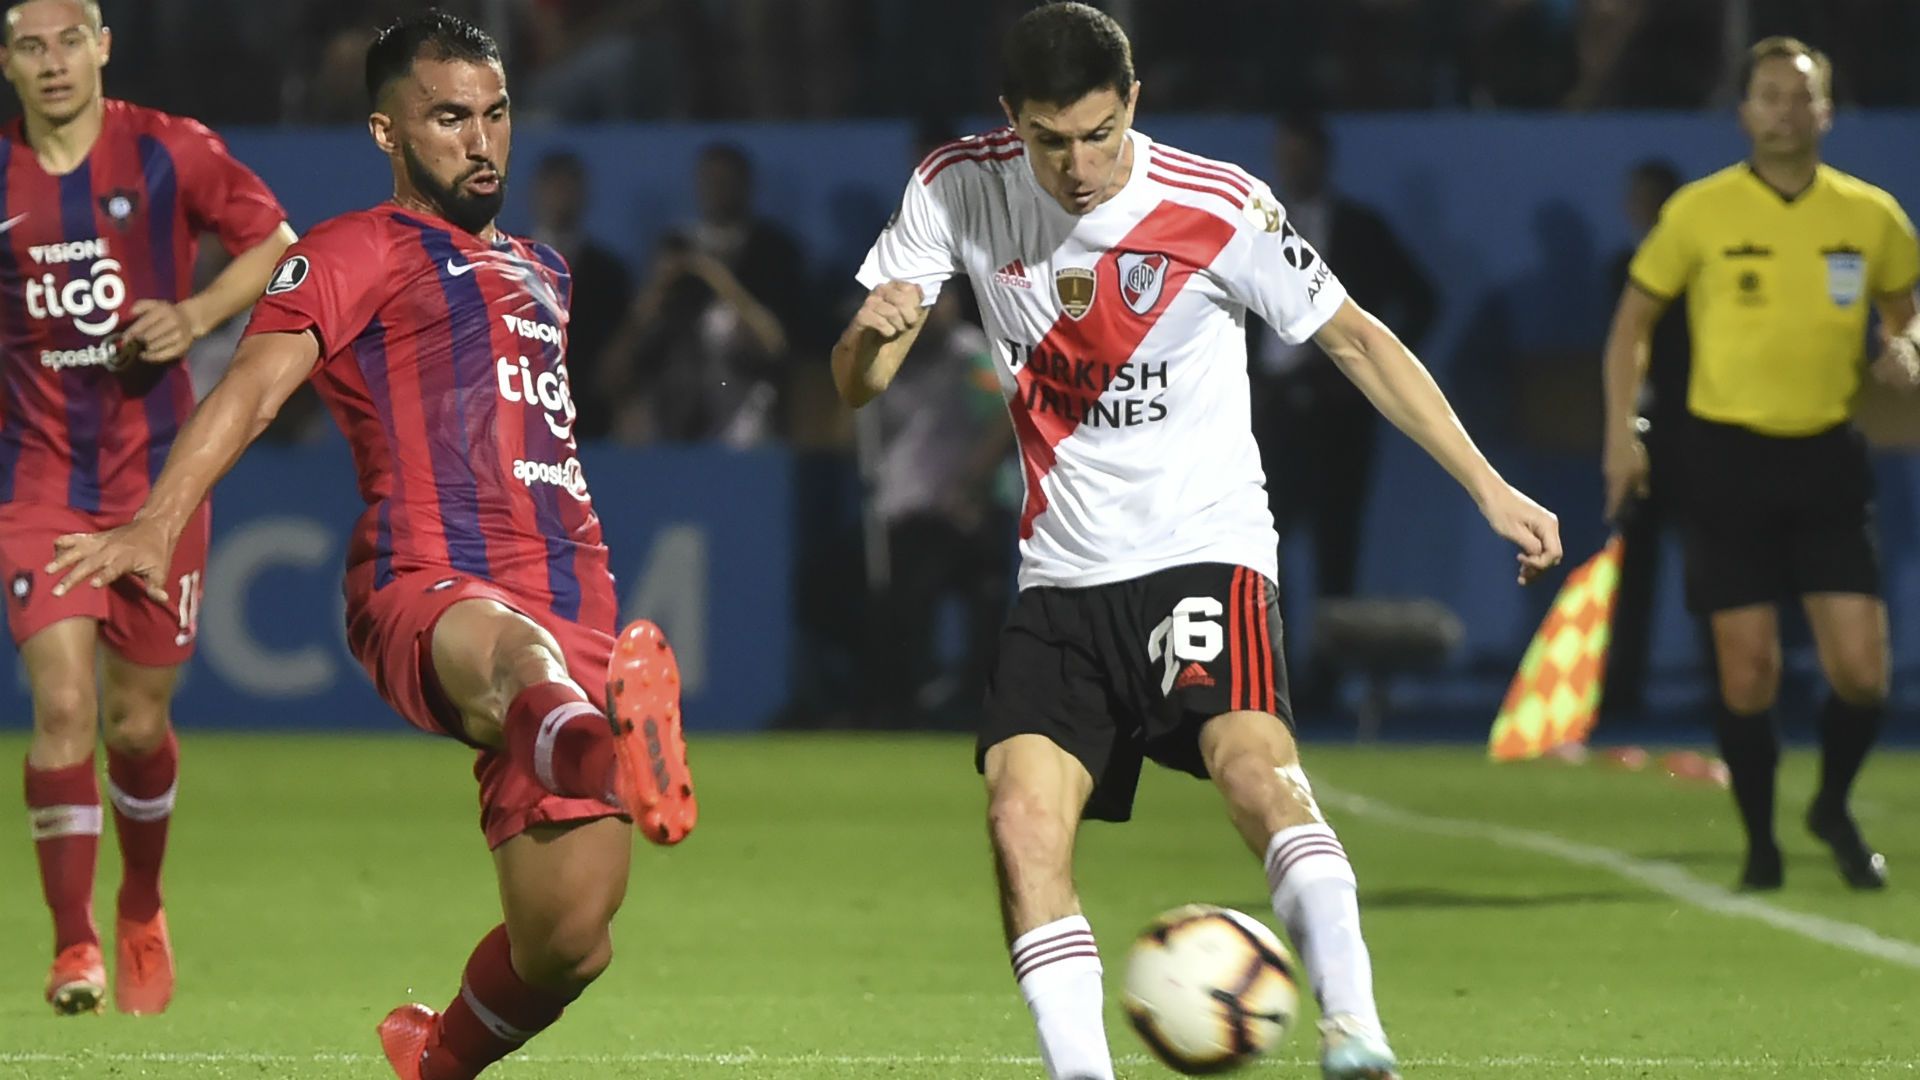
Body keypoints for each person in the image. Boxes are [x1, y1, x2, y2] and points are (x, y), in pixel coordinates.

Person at [833, 5, 1562, 1078]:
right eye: (1049, 139)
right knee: (1020, 821)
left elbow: (1357, 338)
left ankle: (1355, 1032)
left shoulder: (1218, 205)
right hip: (1062, 574)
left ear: (1133, 103)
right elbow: (857, 385)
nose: (1077, 168)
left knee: (1254, 774)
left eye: (1097, 134)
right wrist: (871, 337)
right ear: (1010, 121)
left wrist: (1488, 485)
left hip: (1202, 550)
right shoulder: (955, 186)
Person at [43, 13, 698, 1079]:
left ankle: (433, 1059)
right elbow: (252, 391)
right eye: (448, 119)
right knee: (513, 665)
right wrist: (155, 523)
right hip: (429, 582)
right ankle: (605, 743)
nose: (480, 141)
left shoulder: (544, 271)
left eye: (494, 115)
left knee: (569, 941)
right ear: (388, 134)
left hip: (574, 602)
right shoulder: (352, 250)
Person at [0, 0, 295, 1016]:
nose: (52, 63)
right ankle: (74, 946)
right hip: (36, 484)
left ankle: (140, 905)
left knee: (134, 723)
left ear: (102, 47)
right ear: (6, 61)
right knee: (65, 708)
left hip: (159, 482)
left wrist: (198, 316)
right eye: (30, 46)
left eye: (68, 40)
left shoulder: (169, 149)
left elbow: (279, 244)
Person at [1602, 37, 1919, 892]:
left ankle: (1831, 804)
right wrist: (1620, 434)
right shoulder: (1701, 213)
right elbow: (1633, 322)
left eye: (1801, 96)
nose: (1786, 109)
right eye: (1769, 95)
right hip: (1723, 459)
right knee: (1750, 672)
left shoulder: (1871, 215)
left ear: (1828, 111)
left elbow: (1907, 309)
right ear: (1743, 111)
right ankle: (1760, 845)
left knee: (1863, 673)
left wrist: (1909, 347)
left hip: (1826, 455)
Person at [1250, 111, 1437, 709]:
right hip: (1269, 412)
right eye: (1286, 155)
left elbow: (1422, 300)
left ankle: (1326, 681)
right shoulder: (1250, 225)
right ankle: (1264, 671)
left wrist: (1368, 377)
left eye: (1303, 155)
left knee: (1336, 548)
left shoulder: (1359, 229)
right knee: (1261, 544)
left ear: (1324, 159)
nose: (1293, 166)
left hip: (1335, 417)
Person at [1597, 159, 1691, 721]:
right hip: (1638, 436)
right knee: (1632, 569)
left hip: (1694, 434)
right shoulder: (1620, 269)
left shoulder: (1699, 274)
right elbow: (1615, 346)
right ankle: (1620, 692)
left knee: (1715, 565)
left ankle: (1732, 690)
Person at [527, 151, 629, 441]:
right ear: (537, 193)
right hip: (524, 412)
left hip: (591, 417)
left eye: (569, 189)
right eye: (554, 188)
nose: (562, 197)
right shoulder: (505, 262)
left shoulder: (609, 272)